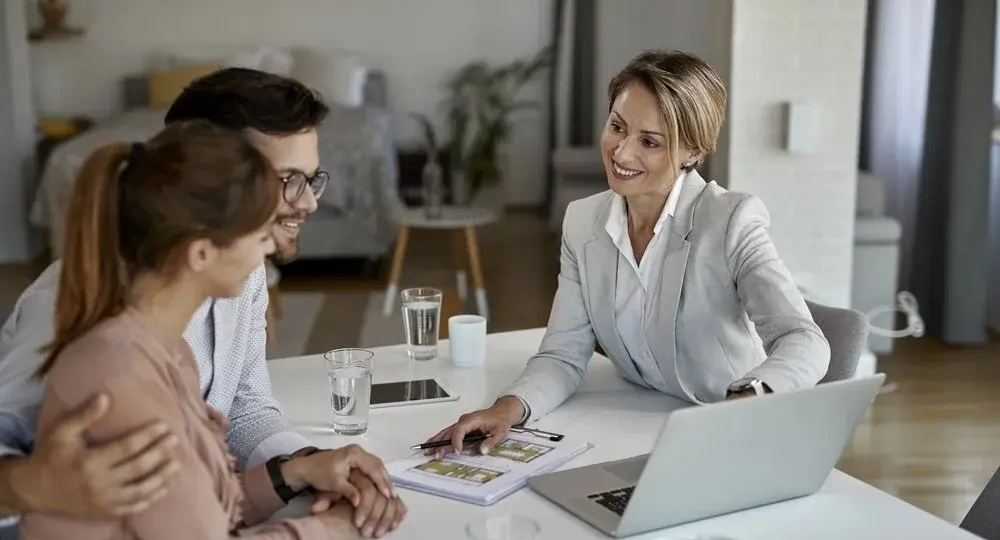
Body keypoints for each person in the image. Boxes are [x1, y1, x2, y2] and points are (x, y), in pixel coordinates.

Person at [0, 68, 402, 539]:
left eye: (312, 180)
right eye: (287, 179)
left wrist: (305, 466)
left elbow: (247, 405)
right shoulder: (72, 310)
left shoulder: (240, 277)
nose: (308, 203)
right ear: (209, 173)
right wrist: (35, 484)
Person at [425, 50, 832, 456]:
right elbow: (563, 355)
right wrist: (506, 410)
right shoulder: (582, 222)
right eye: (617, 127)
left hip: (732, 436)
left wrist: (750, 395)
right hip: (643, 426)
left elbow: (803, 338)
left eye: (649, 142)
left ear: (693, 152)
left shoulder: (730, 221)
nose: (621, 153)